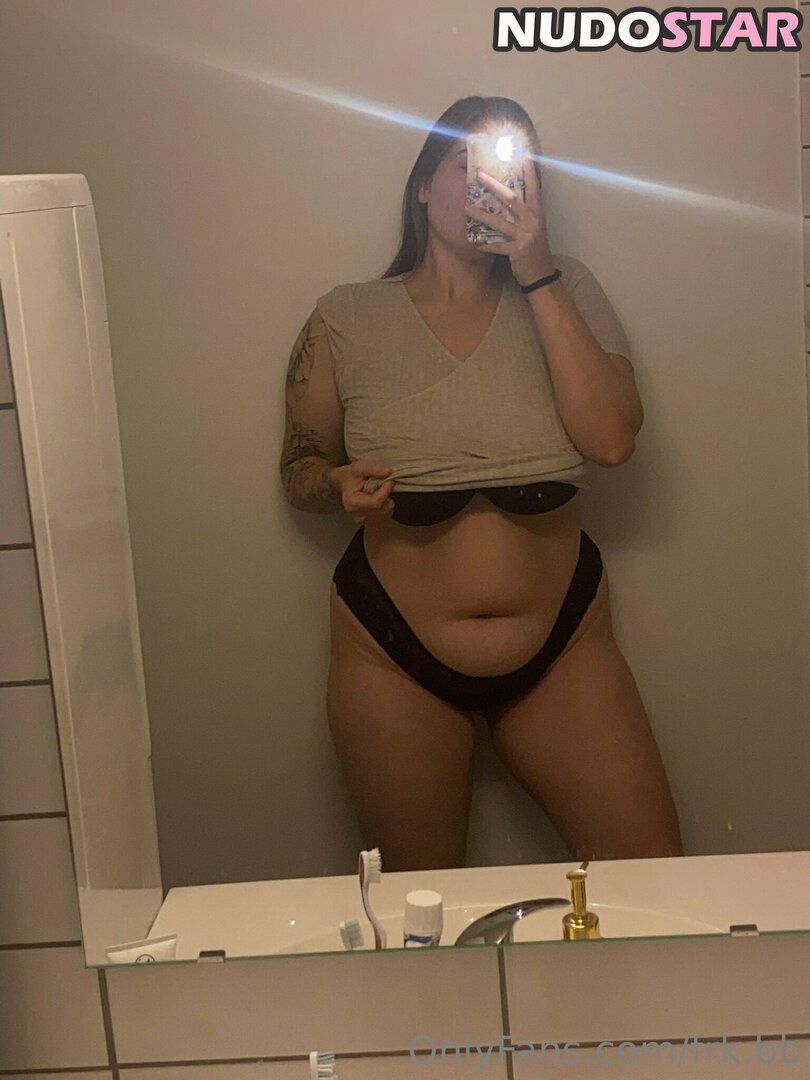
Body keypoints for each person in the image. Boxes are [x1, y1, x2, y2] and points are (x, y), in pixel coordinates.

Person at [280, 95, 684, 871]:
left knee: (652, 875)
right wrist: (335, 485)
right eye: (462, 165)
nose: (484, 187)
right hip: (389, 652)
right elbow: (297, 467)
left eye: (508, 172)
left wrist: (537, 272)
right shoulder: (345, 316)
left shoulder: (570, 291)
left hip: (564, 646)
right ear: (421, 185)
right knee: (418, 904)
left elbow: (611, 441)